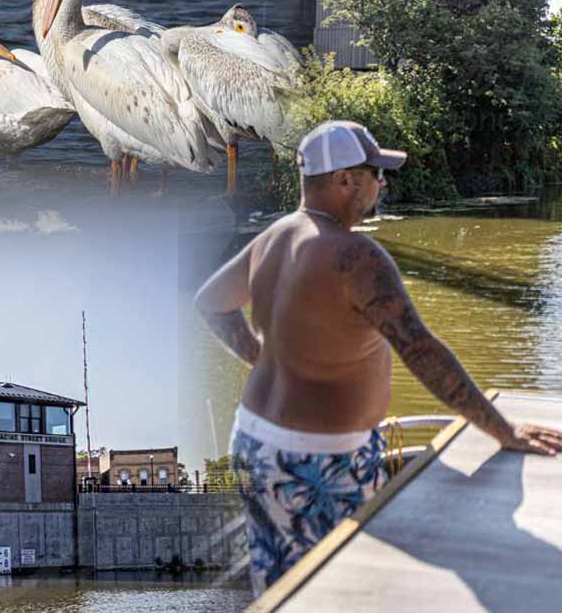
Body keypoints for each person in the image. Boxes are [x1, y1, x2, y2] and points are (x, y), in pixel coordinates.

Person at [195, 119, 562, 595]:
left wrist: (264, 360)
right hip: (320, 460)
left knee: (284, 586)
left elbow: (211, 302)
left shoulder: (274, 237)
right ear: (344, 180)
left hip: (254, 444)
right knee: (340, 590)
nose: (383, 183)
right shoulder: (355, 256)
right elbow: (422, 351)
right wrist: (502, 429)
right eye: (375, 172)